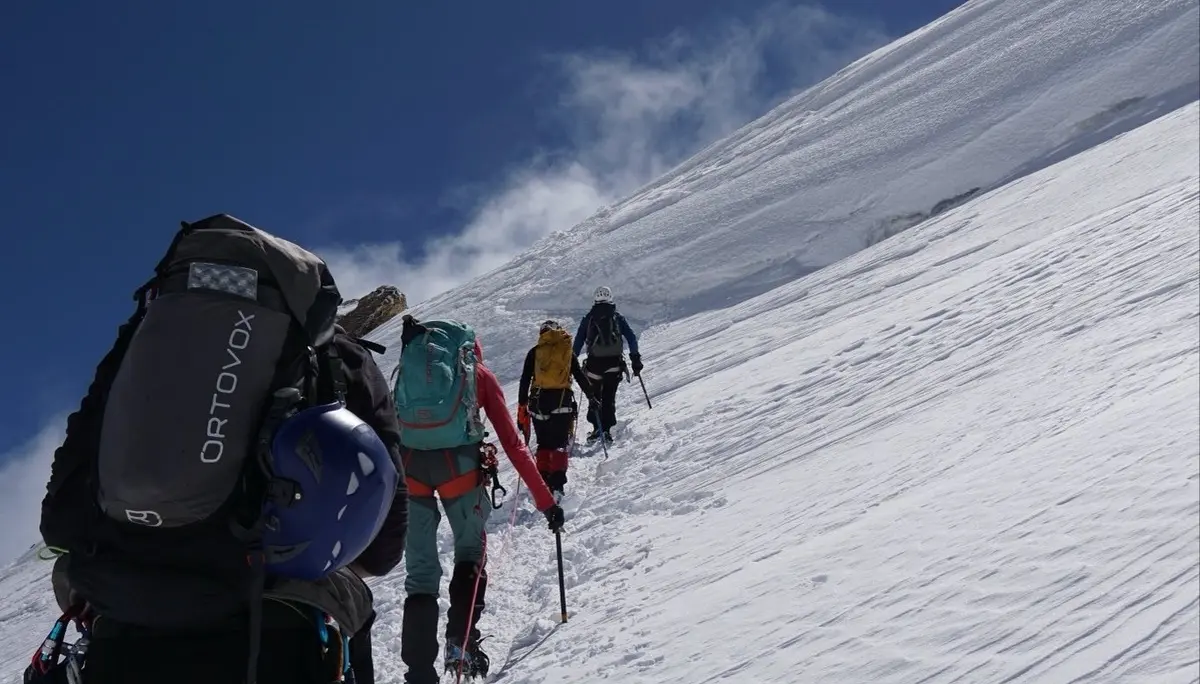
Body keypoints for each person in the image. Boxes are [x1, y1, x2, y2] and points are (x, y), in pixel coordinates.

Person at [34, 214, 408, 684]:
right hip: (271, 629)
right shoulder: (336, 359)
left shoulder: (137, 349)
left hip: (123, 625)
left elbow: (60, 519)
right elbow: (383, 547)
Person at [393, 315, 564, 684]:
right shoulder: (478, 375)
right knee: (470, 551)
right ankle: (461, 645)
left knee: (420, 573)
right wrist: (546, 502)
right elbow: (514, 446)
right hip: (460, 472)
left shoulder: (408, 371)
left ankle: (419, 673)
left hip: (411, 471)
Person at [517, 319, 593, 499]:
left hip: (539, 403)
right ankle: (558, 484)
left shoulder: (535, 352)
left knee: (543, 443)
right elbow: (580, 376)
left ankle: (543, 482)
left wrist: (522, 404)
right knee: (559, 444)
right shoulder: (566, 351)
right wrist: (592, 397)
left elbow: (525, 379)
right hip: (562, 402)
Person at [572, 286, 643, 443]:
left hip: (593, 366)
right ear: (611, 298)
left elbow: (578, 341)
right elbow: (631, 338)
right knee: (609, 397)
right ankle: (607, 430)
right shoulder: (617, 317)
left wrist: (572, 360)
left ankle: (597, 429)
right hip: (614, 364)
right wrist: (635, 358)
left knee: (594, 396)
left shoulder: (589, 318)